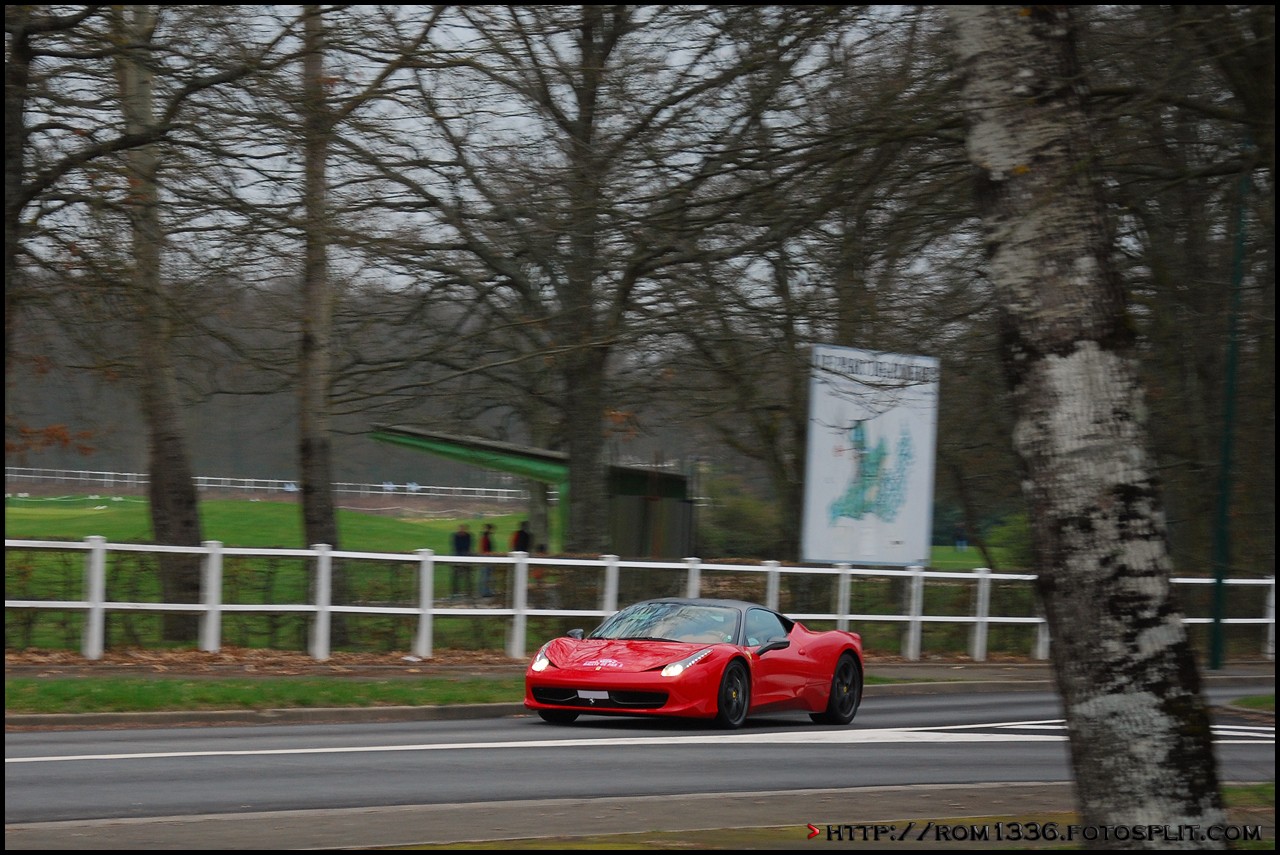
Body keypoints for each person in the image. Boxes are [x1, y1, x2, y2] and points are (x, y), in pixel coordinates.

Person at [450, 523, 473, 600]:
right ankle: (455, 591)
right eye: (461, 528)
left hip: (466, 556)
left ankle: (468, 591)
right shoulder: (456, 536)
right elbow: (456, 546)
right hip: (458, 556)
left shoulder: (468, 536)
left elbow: (468, 546)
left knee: (468, 575)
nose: (462, 530)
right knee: (456, 575)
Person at [478, 523, 496, 598]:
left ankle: (486, 591)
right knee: (486, 575)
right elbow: (484, 548)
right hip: (486, 557)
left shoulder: (486, 536)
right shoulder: (485, 537)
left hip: (487, 556)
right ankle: (485, 592)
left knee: (486, 575)